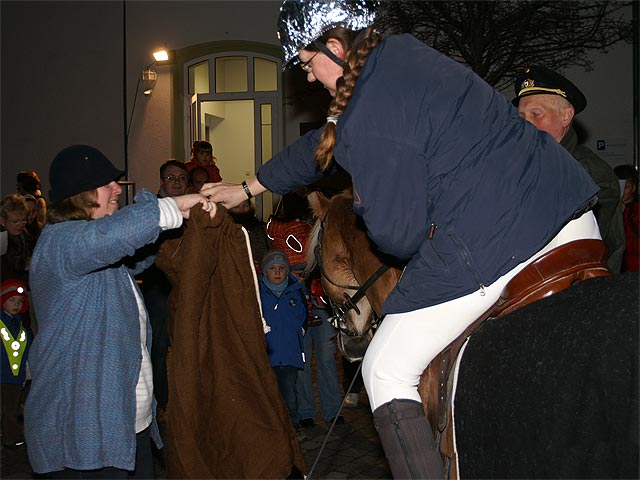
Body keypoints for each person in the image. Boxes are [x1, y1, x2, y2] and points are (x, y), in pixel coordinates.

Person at [203, 1, 603, 477]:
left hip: (502, 237)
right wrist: (250, 187)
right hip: (573, 217)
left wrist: (370, 201)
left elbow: (398, 233)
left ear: (334, 48)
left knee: (383, 368)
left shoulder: (373, 108)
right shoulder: (400, 56)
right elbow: (322, 146)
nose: (307, 78)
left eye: (308, 64)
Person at [23, 144, 215, 478]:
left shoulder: (102, 257)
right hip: (82, 439)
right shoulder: (59, 243)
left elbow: (133, 249)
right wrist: (169, 206)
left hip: (127, 430)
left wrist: (181, 218)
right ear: (79, 194)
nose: (117, 188)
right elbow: (111, 238)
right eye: (107, 182)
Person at [513, 65, 625, 274]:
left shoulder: (589, 173)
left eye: (536, 114)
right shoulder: (519, 167)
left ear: (566, 116)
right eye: (521, 117)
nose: (526, 124)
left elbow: (584, 249)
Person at [136, 159, 189, 423]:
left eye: (181, 178)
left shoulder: (195, 209)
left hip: (188, 290)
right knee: (157, 348)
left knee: (188, 347)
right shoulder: (151, 212)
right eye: (171, 178)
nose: (177, 182)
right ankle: (162, 403)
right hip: (158, 289)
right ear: (162, 182)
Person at [258, 249, 306, 429]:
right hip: (266, 355)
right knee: (268, 397)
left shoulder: (295, 291)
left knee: (289, 396)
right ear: (265, 271)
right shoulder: (257, 292)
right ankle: (273, 432)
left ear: (287, 270)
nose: (277, 272)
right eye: (272, 268)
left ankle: (293, 429)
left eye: (281, 268)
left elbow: (302, 319)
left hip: (288, 354)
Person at [296, 270, 343, 428]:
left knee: (327, 359)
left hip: (324, 303)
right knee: (302, 360)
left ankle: (333, 410)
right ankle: (305, 411)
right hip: (296, 300)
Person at [0, 279, 32, 449]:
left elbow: (27, 350)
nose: (17, 304)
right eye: (12, 300)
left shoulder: (22, 327)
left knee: (11, 409)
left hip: (14, 377)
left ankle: (11, 438)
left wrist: (26, 372)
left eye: (20, 301)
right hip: (1, 373)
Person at [227, 198, 271, 269]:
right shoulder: (224, 231)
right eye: (236, 207)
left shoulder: (262, 228)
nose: (242, 210)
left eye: (245, 205)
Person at [0, 194, 32, 284]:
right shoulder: (2, 239)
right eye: (15, 221)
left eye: (23, 220)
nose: (21, 224)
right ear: (2, 220)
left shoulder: (23, 233)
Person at [614, 164, 639, 271]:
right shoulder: (608, 209)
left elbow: (633, 244)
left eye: (626, 186)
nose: (623, 191)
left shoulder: (636, 211)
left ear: (633, 187)